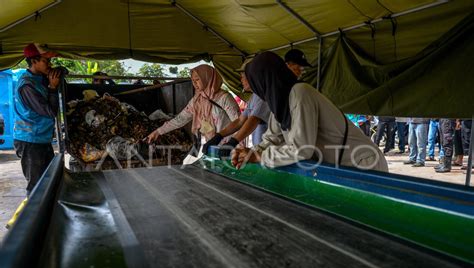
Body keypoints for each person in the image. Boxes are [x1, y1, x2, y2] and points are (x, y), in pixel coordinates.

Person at [231, 52, 388, 172]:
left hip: (363, 162)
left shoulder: (300, 93)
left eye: (255, 83)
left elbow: (302, 149)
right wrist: (249, 152)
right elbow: (272, 139)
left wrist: (260, 156)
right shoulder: (280, 102)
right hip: (343, 165)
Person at [145, 64, 240, 145]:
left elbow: (240, 123)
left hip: (229, 147)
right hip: (211, 147)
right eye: (193, 80)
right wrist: (158, 132)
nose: (194, 83)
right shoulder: (197, 100)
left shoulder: (224, 98)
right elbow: (180, 119)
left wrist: (238, 147)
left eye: (197, 79)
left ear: (207, 78)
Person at [13, 43, 62, 195]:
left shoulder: (39, 77)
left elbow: (61, 71)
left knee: (48, 179)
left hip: (41, 138)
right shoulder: (27, 85)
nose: (49, 64)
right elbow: (49, 112)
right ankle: (32, 216)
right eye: (45, 61)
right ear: (33, 61)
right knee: (36, 186)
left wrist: (58, 72)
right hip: (30, 140)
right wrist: (53, 88)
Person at [203, 58, 271, 156]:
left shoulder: (263, 96)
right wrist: (218, 136)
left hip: (270, 152)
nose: (241, 79)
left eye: (243, 76)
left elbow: (253, 120)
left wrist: (233, 142)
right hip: (261, 150)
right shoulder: (254, 96)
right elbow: (240, 121)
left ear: (253, 76)